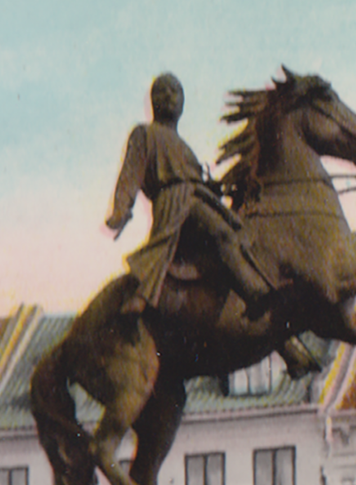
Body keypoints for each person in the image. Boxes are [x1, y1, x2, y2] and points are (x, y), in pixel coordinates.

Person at [105, 72, 278, 317]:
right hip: (175, 202)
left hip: (196, 197)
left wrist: (215, 189)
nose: (168, 96)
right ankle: (253, 293)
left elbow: (195, 179)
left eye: (175, 91)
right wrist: (121, 210)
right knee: (222, 233)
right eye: (161, 91)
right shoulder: (145, 134)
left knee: (237, 228)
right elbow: (129, 175)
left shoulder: (183, 145)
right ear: (151, 101)